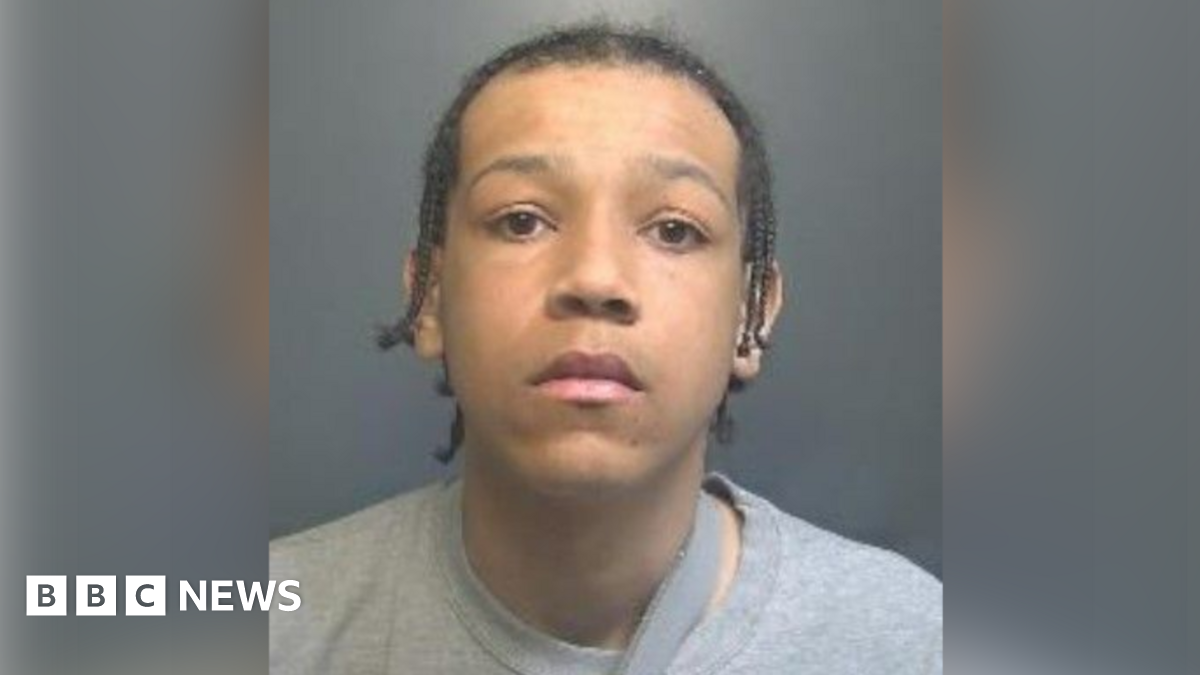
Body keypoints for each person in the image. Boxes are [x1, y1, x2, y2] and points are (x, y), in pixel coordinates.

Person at [270, 22, 941, 675]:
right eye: (521, 220)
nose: (595, 277)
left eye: (674, 230)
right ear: (431, 300)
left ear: (751, 315)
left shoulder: (917, 641)